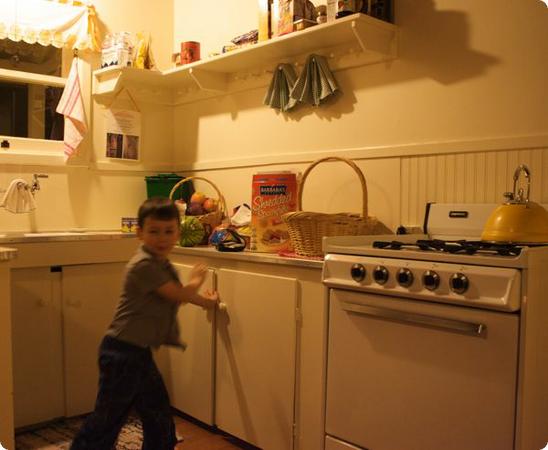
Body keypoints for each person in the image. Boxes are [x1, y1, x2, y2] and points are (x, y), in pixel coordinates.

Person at [70, 197, 219, 450]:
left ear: (177, 233)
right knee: (108, 419)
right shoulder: (143, 265)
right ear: (140, 233)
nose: (162, 238)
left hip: (136, 353)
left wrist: (204, 302)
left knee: (157, 413)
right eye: (154, 231)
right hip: (121, 354)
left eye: (169, 231)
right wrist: (196, 280)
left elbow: (174, 295)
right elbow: (178, 294)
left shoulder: (158, 263)